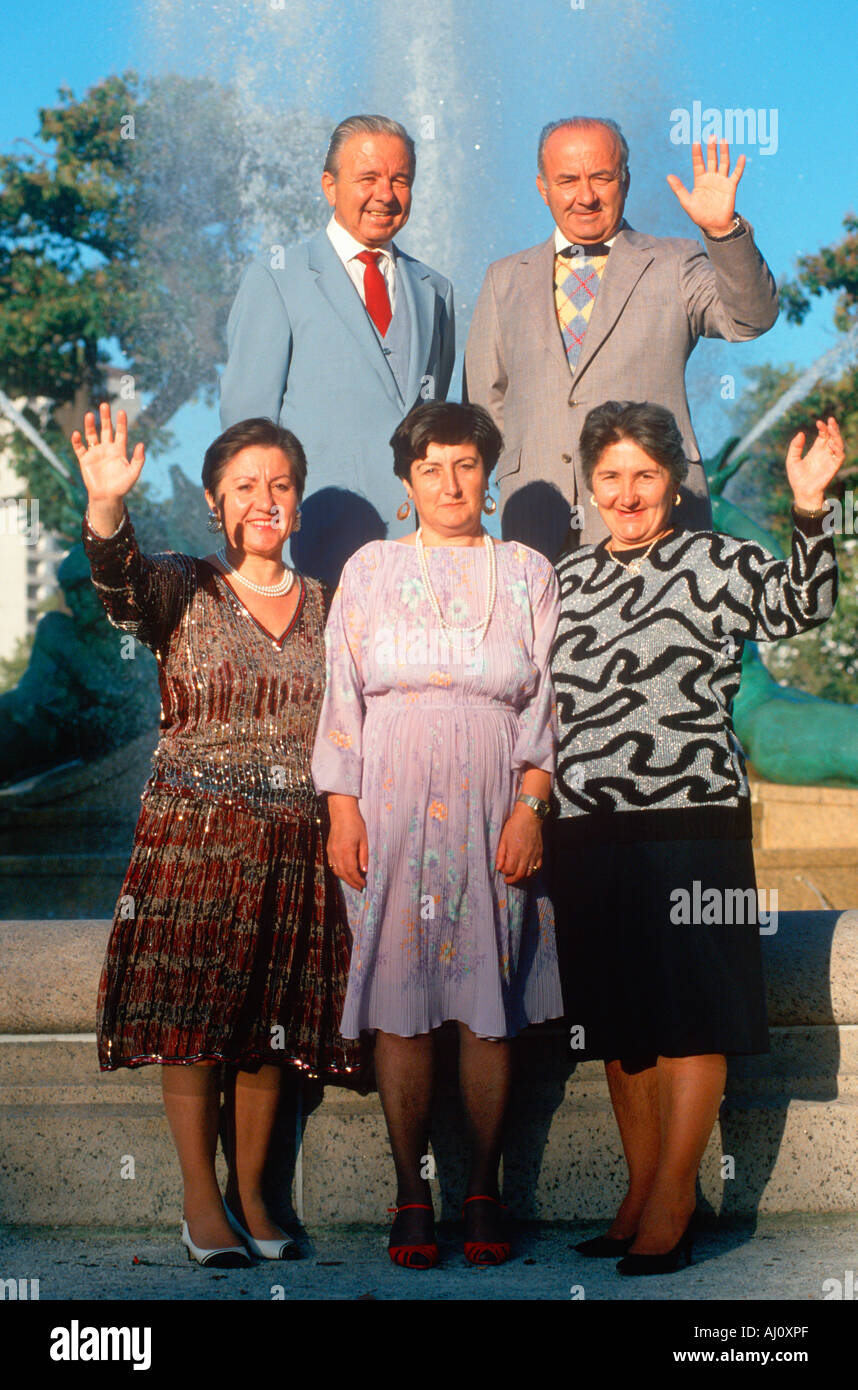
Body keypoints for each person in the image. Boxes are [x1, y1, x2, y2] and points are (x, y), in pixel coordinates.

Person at [549, 400, 842, 1275]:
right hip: (588, 826)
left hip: (695, 820)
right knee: (622, 1024)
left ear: (673, 483)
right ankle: (638, 1193)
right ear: (589, 486)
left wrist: (812, 509)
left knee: (693, 1014)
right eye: (611, 477)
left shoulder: (717, 560)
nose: (628, 493)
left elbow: (802, 607)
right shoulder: (563, 581)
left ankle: (676, 1199)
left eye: (645, 474)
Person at [74, 403, 359, 1268]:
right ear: (213, 502)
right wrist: (106, 507)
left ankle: (256, 1197)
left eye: (280, 485)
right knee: (191, 1021)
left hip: (293, 847)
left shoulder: (330, 605)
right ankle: (202, 1203)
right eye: (244, 486)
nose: (263, 499)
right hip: (192, 843)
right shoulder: (181, 584)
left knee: (271, 1023)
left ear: (299, 506)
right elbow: (117, 583)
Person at [311, 400, 562, 1268]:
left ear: (487, 475)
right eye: (430, 468)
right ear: (407, 480)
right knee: (402, 1001)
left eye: (465, 465)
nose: (450, 483)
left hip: (497, 803)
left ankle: (484, 1185)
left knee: (488, 1003)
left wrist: (532, 804)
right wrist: (341, 808)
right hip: (389, 806)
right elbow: (341, 695)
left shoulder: (527, 570)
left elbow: (549, 702)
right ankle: (413, 1190)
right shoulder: (370, 569)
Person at [464, 118, 779, 559]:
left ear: (625, 180)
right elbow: (484, 404)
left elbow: (751, 319)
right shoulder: (503, 279)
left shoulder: (674, 261)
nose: (585, 196)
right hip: (537, 522)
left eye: (601, 177)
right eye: (568, 180)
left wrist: (723, 233)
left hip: (658, 521)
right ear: (543, 188)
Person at [220, 114, 455, 586]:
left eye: (400, 180)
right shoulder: (276, 279)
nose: (385, 194)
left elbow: (433, 420)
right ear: (329, 186)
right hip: (314, 549)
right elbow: (247, 433)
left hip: (423, 551)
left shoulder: (437, 291)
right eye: (367, 178)